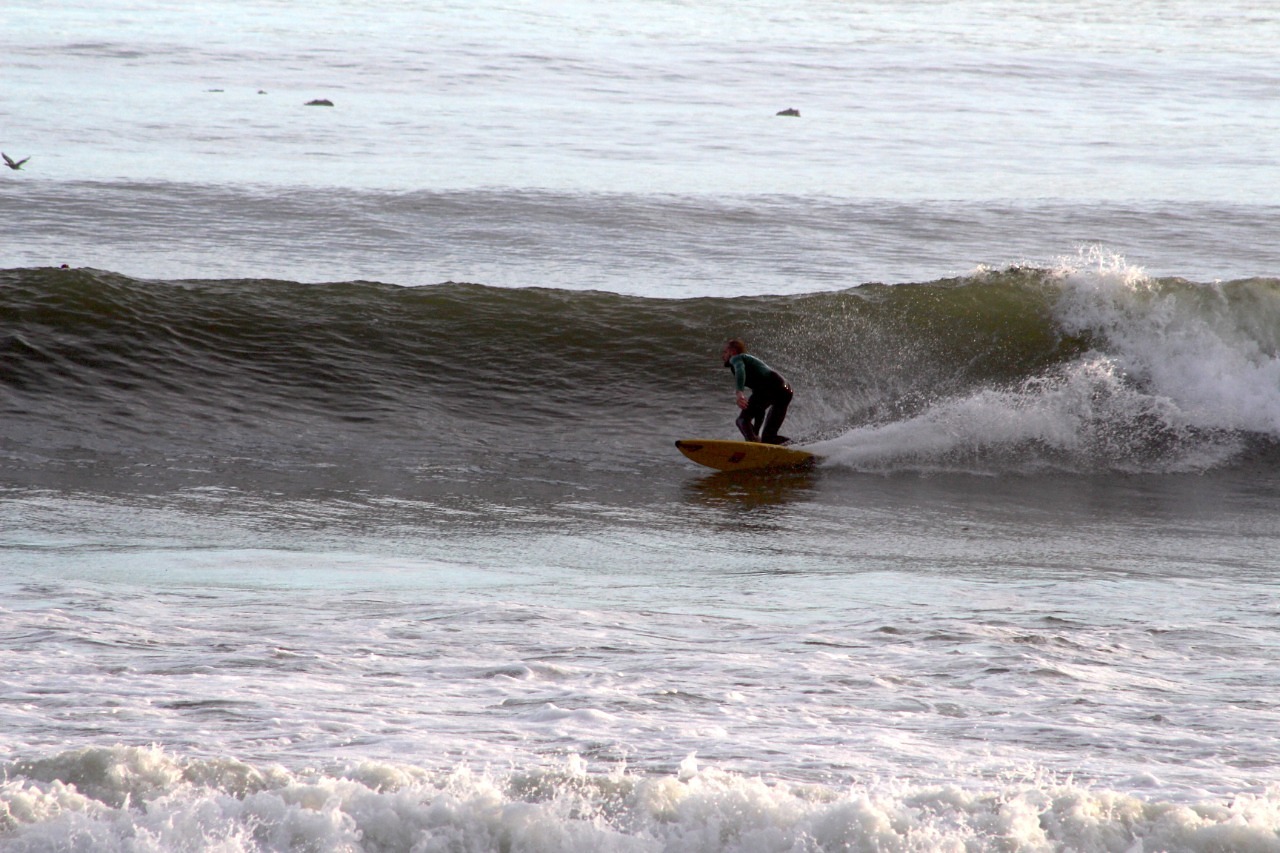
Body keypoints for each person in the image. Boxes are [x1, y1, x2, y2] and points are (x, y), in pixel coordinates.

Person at [721, 339, 793, 444]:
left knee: (742, 420)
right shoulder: (753, 369)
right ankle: (801, 447)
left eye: (725, 352)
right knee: (768, 438)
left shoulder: (736, 358)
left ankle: (753, 443)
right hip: (785, 390)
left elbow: (740, 371)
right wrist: (755, 432)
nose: (723, 356)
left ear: (732, 351)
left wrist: (739, 392)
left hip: (771, 385)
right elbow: (760, 410)